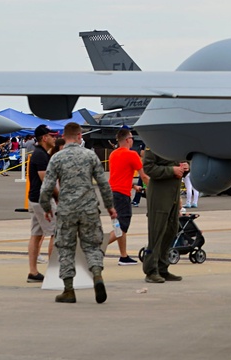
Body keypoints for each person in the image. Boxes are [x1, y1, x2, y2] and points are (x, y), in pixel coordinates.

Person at [39, 122, 117, 304]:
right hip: (89, 208)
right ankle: (97, 274)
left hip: (67, 210)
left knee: (66, 248)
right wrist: (110, 206)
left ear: (65, 137)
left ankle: (68, 290)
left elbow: (47, 187)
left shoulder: (57, 158)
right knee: (92, 246)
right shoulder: (90, 156)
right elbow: (103, 184)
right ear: (79, 136)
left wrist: (46, 208)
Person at [142, 149, 189, 283]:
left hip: (173, 193)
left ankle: (162, 268)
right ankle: (151, 270)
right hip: (159, 193)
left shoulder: (174, 144)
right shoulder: (154, 143)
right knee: (157, 231)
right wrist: (171, 170)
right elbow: (149, 167)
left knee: (171, 229)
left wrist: (186, 167)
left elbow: (181, 165)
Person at [106, 129, 149, 265]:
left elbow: (119, 176)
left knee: (119, 226)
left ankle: (123, 256)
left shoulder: (113, 154)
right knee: (122, 227)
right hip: (121, 195)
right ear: (127, 140)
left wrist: (133, 186)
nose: (132, 141)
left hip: (112, 193)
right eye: (131, 138)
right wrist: (153, 188)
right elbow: (144, 176)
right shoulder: (132, 155)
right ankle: (96, 247)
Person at [27, 125, 58, 283]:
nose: (55, 138)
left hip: (34, 199)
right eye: (52, 135)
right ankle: (54, 272)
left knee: (37, 234)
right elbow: (47, 182)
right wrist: (59, 197)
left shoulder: (41, 154)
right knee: (56, 232)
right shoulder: (40, 156)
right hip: (42, 201)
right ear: (44, 138)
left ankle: (33, 272)